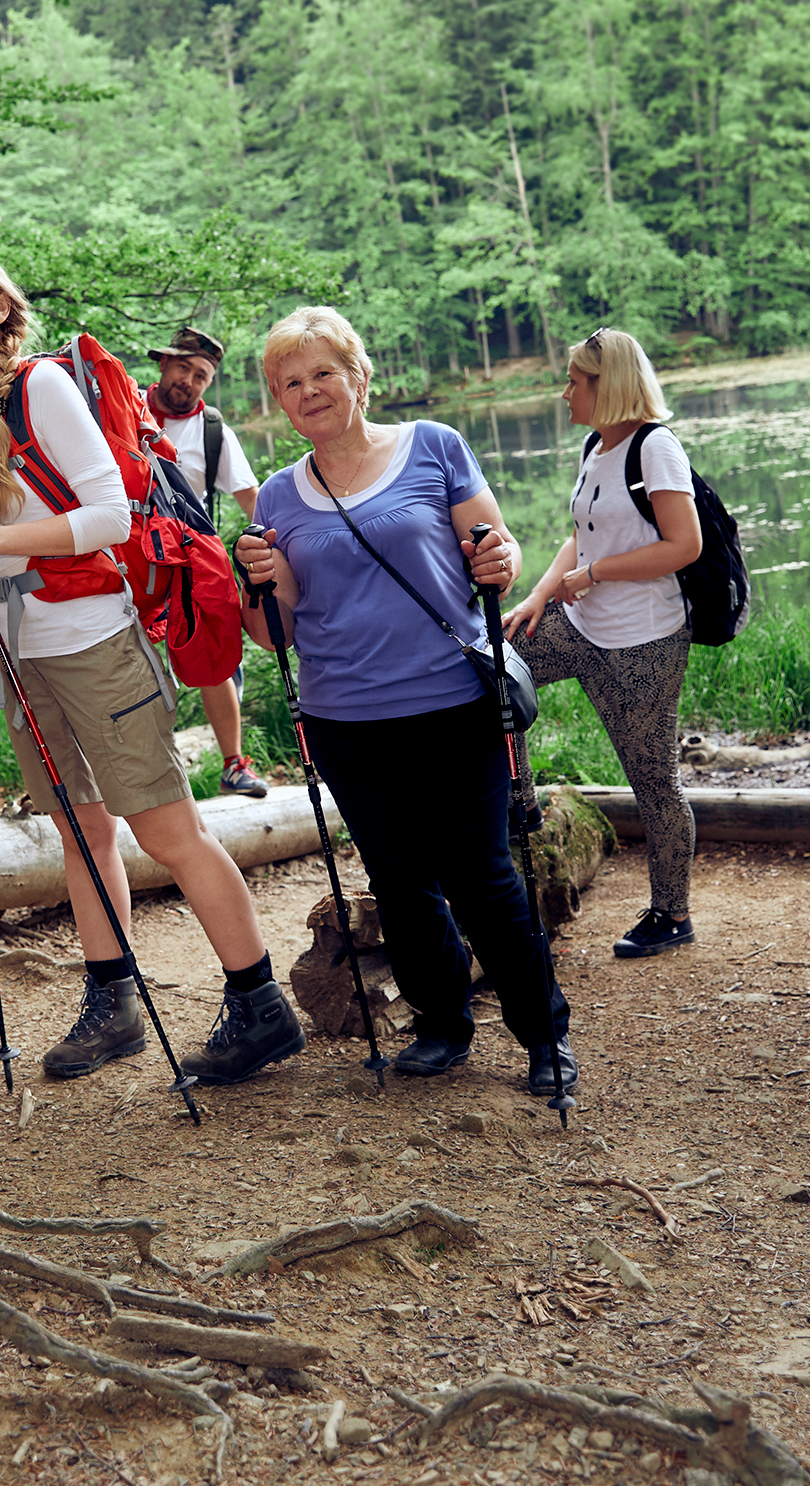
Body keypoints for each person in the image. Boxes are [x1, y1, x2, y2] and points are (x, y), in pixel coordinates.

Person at [0, 242, 306, 1087]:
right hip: (21, 651)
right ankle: (113, 999)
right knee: (79, 829)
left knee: (168, 829)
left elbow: (112, 515)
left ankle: (259, 1002)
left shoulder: (41, 387)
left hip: (91, 639)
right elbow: (9, 524)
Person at [233, 305, 576, 1099]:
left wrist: (504, 555)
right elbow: (272, 632)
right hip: (343, 720)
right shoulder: (278, 499)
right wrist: (254, 580)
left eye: (323, 372)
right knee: (398, 881)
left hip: (453, 704)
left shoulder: (435, 446)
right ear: (279, 404)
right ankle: (442, 1026)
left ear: (359, 376)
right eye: (291, 382)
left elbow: (498, 559)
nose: (309, 390)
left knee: (484, 877)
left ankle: (542, 1036)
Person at [501, 329, 703, 959]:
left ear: (604, 385)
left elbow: (683, 546)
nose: (564, 393)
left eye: (573, 382)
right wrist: (540, 594)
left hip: (644, 644)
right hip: (581, 627)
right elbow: (582, 532)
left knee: (654, 781)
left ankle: (672, 914)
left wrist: (594, 576)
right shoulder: (597, 445)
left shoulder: (655, 449)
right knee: (494, 677)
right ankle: (521, 808)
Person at [142, 326, 269, 798]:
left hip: (189, 560)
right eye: (183, 368)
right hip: (127, 559)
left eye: (202, 375)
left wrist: (288, 553)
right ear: (163, 364)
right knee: (130, 661)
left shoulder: (213, 430)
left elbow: (252, 499)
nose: (190, 381)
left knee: (215, 654)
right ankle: (146, 772)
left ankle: (234, 765)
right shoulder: (122, 408)